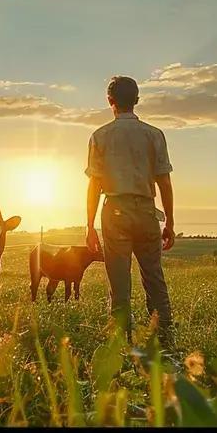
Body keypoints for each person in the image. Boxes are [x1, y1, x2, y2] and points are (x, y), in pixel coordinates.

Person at [84, 76, 176, 349]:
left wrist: (89, 225)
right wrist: (170, 222)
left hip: (114, 212)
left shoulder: (100, 136)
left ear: (110, 101)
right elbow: (165, 183)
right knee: (154, 279)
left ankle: (121, 347)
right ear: (137, 100)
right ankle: (165, 341)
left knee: (119, 284)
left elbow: (94, 185)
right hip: (147, 211)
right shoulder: (154, 134)